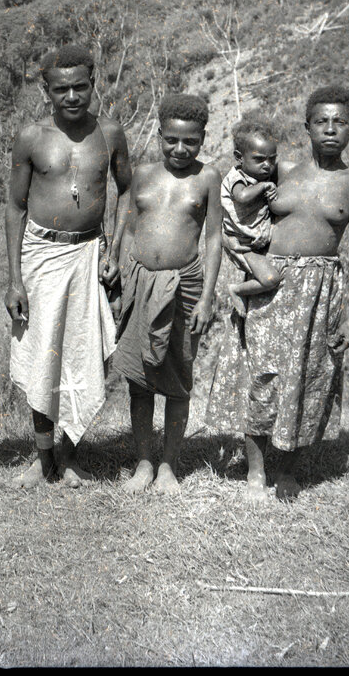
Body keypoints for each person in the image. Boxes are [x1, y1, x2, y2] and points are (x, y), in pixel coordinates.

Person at [206, 85, 349, 502]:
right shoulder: (282, 170)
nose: (330, 130)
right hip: (271, 284)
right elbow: (231, 180)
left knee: (306, 377)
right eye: (322, 122)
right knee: (259, 376)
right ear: (307, 127)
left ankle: (288, 471)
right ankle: (255, 472)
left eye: (340, 122)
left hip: (320, 292)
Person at [5, 44, 132, 488]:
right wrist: (14, 279)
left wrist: (114, 250)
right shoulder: (31, 138)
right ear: (46, 91)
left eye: (81, 86)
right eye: (62, 89)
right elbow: (15, 206)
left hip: (89, 254)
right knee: (42, 352)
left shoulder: (111, 133)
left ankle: (71, 455)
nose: (72, 97)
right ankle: (42, 461)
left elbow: (127, 191)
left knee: (81, 353)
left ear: (93, 84)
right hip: (41, 254)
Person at [109, 93, 221, 494]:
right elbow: (129, 223)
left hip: (184, 286)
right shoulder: (143, 173)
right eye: (171, 139)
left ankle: (169, 466)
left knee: (178, 377)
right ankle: (143, 463)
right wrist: (116, 267)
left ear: (203, 138)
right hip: (140, 280)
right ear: (159, 135)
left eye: (190, 141)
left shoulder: (208, 178)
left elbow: (213, 240)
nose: (180, 149)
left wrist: (207, 297)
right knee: (139, 380)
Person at [221, 117, 283, 318]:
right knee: (271, 278)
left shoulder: (261, 176)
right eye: (259, 159)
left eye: (272, 159)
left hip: (257, 240)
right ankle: (237, 289)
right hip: (243, 244)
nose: (267, 165)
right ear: (239, 158)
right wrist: (264, 186)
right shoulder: (236, 178)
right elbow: (242, 196)